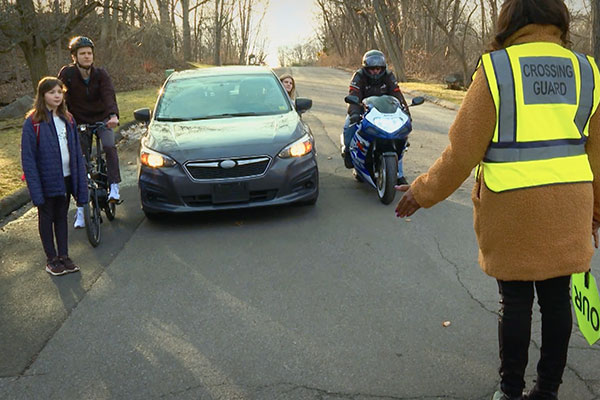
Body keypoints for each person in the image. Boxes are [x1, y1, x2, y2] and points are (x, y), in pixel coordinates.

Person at [395, 0, 600, 399]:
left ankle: (510, 391)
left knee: (516, 301)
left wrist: (422, 192)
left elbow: (462, 152)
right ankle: (548, 391)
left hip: (511, 209)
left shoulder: (497, 71)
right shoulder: (587, 71)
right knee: (558, 301)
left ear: (510, 21)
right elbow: (599, 154)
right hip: (569, 207)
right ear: (558, 19)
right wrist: (595, 213)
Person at [21, 77, 88, 276]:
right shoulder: (33, 122)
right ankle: (51, 259)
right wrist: (35, 188)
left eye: (60, 91)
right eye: (52, 92)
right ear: (43, 95)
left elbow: (75, 150)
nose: (57, 95)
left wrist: (79, 179)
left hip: (66, 177)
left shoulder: (68, 118)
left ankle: (64, 256)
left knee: (61, 217)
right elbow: (29, 159)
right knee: (46, 217)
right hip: (46, 180)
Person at [58, 36, 121, 229]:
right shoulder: (67, 74)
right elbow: (59, 95)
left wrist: (112, 115)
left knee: (109, 146)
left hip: (102, 118)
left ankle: (114, 187)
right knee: (80, 160)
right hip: (78, 121)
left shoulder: (100, 74)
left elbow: (108, 94)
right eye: (82, 53)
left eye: (89, 53)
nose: (87, 56)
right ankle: (81, 209)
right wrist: (63, 113)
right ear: (74, 56)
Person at [343, 49, 410, 184]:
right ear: (366, 68)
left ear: (383, 68)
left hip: (387, 112)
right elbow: (354, 94)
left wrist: (406, 112)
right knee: (349, 127)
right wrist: (354, 113)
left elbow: (397, 95)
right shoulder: (359, 76)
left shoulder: (389, 76)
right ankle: (349, 153)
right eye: (372, 69)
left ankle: (398, 174)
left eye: (378, 69)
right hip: (364, 111)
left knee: (399, 139)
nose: (375, 72)